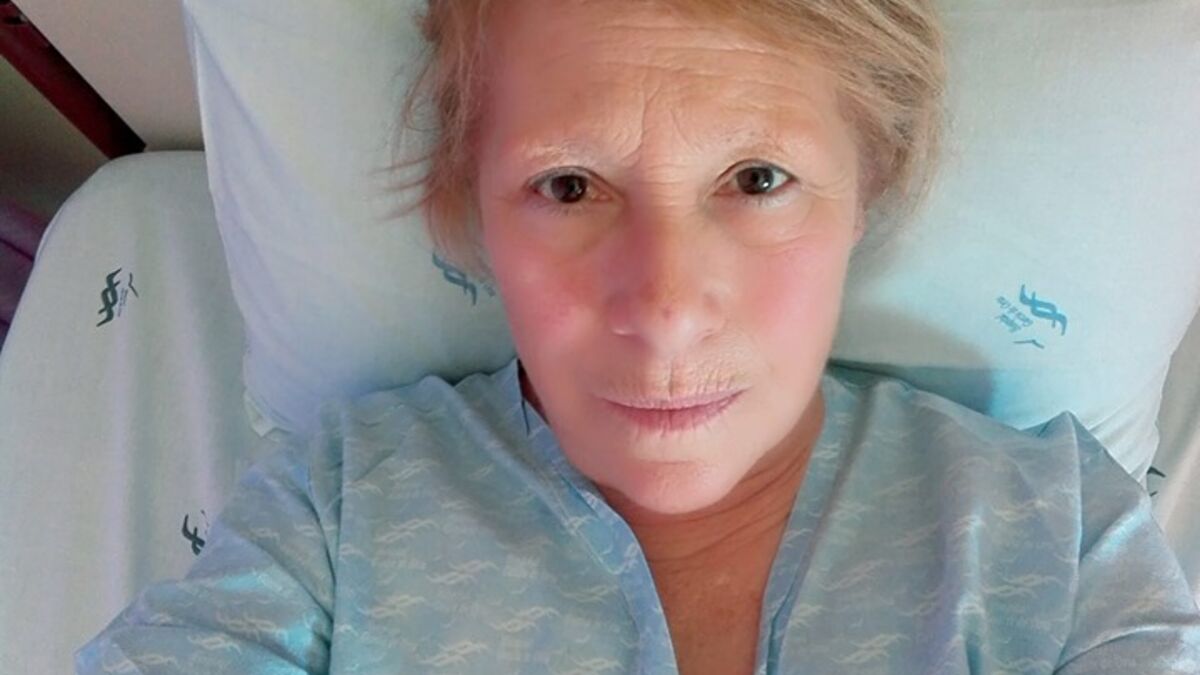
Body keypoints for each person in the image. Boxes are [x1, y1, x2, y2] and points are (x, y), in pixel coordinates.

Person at [76, 0, 1200, 673]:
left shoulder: (1057, 534)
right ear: (472, 206)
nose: (664, 309)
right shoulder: (339, 508)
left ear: (869, 188)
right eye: (569, 185)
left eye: (757, 179)